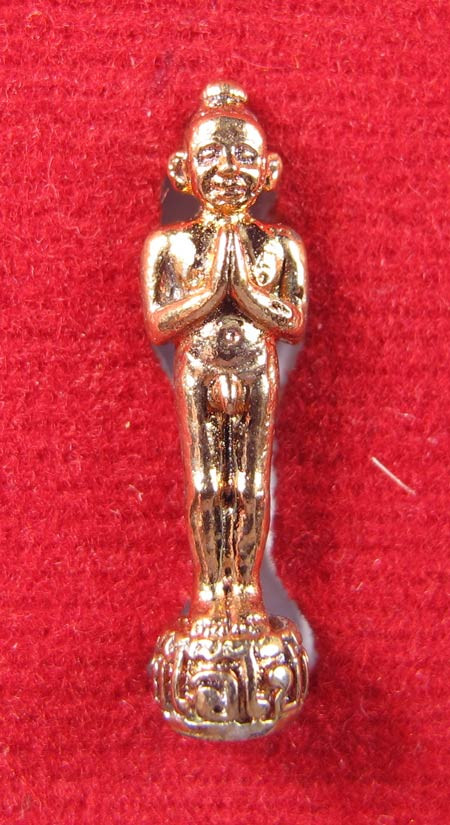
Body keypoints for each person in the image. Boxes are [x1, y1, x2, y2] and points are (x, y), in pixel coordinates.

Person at [141, 82, 308, 629]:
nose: (229, 169)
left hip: (255, 365)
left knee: (251, 485)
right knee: (208, 484)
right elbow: (160, 323)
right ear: (182, 169)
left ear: (269, 171)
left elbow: (292, 322)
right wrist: (216, 289)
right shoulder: (169, 245)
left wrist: (246, 292)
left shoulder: (279, 243)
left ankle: (247, 592)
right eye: (212, 153)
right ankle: (212, 592)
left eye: (244, 156)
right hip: (200, 365)